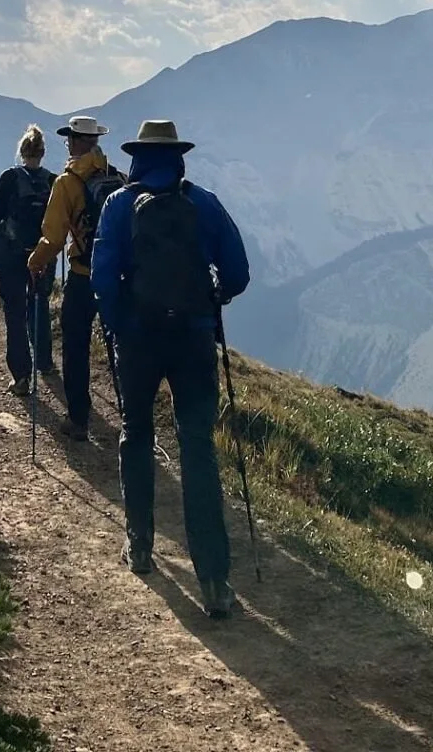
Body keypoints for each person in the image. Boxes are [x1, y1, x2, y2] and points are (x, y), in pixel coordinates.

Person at [90, 119, 250, 620]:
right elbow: (239, 272)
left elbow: (102, 279)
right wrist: (211, 298)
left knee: (136, 432)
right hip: (193, 339)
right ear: (178, 155)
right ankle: (215, 581)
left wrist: (120, 327)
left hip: (139, 340)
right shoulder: (203, 203)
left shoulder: (118, 206)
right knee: (197, 446)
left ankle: (140, 547)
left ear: (137, 156)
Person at [25, 114, 125, 443]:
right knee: (119, 347)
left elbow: (53, 238)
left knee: (76, 346)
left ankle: (79, 420)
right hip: (117, 277)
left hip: (83, 276)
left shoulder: (66, 184)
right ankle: (130, 418)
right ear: (95, 141)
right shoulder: (116, 176)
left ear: (75, 142)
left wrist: (35, 262)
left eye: (70, 138)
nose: (67, 143)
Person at [0, 124, 57, 396]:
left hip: (11, 255)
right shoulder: (53, 181)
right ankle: (45, 362)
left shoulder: (9, 178)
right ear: (43, 152)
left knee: (15, 314)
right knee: (39, 304)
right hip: (41, 254)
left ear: (21, 151)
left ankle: (21, 376)